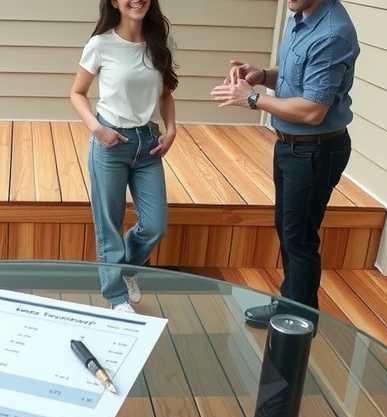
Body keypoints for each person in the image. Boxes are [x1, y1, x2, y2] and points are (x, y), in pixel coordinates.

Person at [211, 0, 358, 328]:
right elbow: (294, 78)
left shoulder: (332, 34)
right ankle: (293, 308)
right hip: (293, 147)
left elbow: (311, 110)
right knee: (290, 232)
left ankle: (298, 323)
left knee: (299, 238)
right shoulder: (300, 16)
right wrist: (262, 76)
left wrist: (250, 97)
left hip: (315, 150)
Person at [70, 0, 178, 314]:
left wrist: (171, 130)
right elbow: (77, 92)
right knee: (109, 224)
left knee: (155, 225)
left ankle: (126, 267)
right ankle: (117, 297)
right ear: (114, 3)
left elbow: (166, 94)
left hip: (147, 144)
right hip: (109, 142)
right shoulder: (100, 45)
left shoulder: (159, 42)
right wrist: (95, 128)